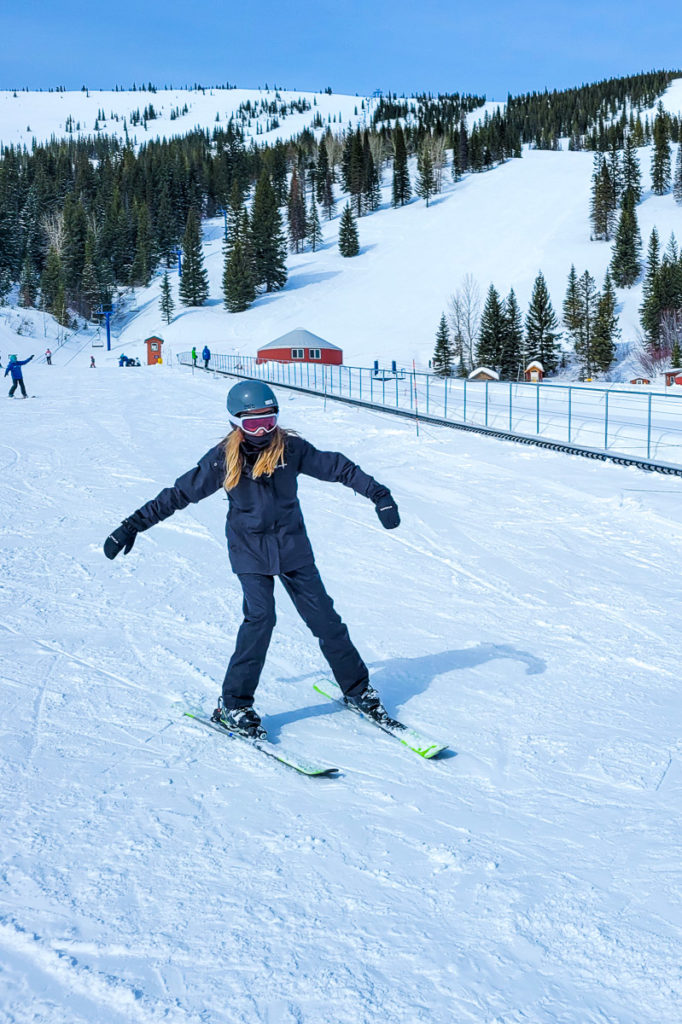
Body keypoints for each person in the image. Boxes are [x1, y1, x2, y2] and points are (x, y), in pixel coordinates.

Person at [103, 380, 401, 738]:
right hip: (250, 552)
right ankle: (235, 704)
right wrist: (132, 524)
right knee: (261, 620)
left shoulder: (291, 450)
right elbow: (178, 494)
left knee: (326, 620)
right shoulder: (221, 459)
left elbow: (339, 467)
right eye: (253, 424)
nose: (262, 431)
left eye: (269, 421)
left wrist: (379, 495)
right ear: (235, 423)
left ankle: (357, 690)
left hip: (293, 549)